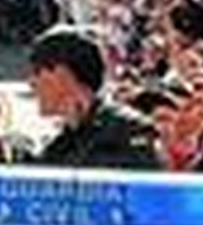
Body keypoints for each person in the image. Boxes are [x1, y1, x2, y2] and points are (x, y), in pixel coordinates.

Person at [30, 27, 162, 170]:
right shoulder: (68, 138)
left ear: (63, 75)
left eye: (38, 72)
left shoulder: (126, 132)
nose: (31, 83)